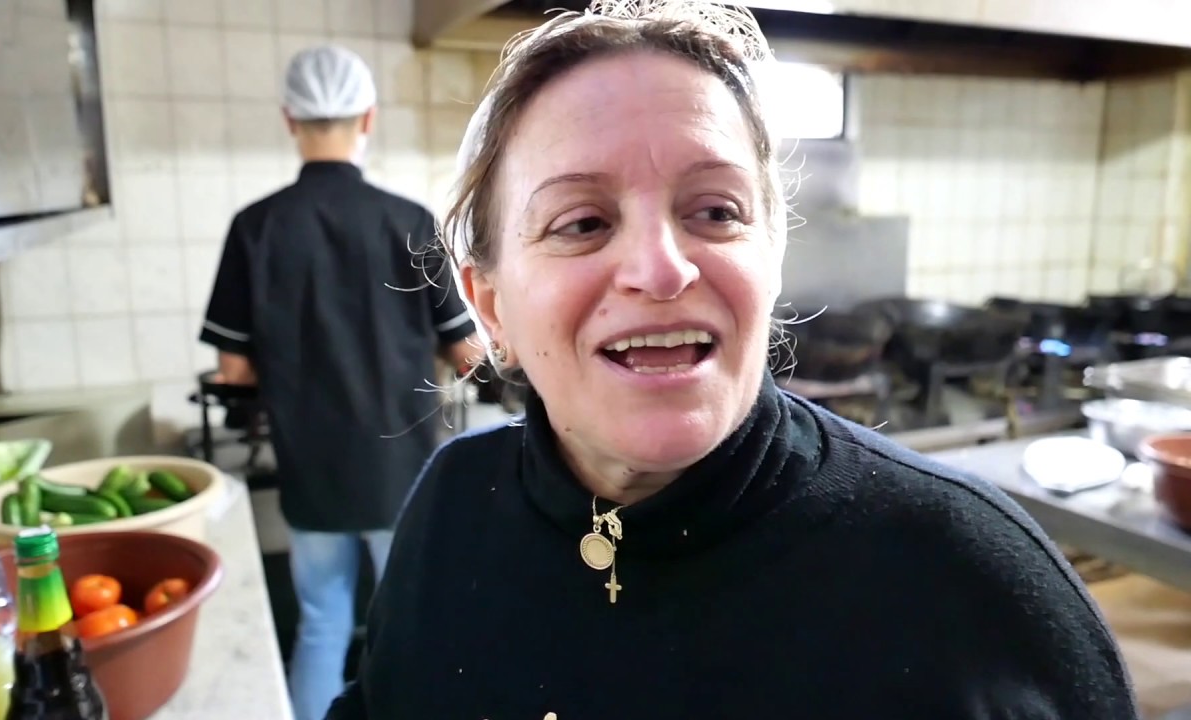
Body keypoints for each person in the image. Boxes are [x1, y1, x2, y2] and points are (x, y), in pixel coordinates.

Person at [325, 1, 1141, 718]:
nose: (661, 269)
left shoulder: (965, 579)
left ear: (772, 258)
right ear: (492, 304)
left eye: (716, 211)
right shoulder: (455, 507)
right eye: (582, 223)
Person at [198, 44, 478, 720]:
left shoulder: (255, 227)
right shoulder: (408, 221)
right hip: (402, 470)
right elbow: (467, 352)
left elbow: (233, 369)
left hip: (310, 468)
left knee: (322, 620)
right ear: (369, 118)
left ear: (290, 119)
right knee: (413, 625)